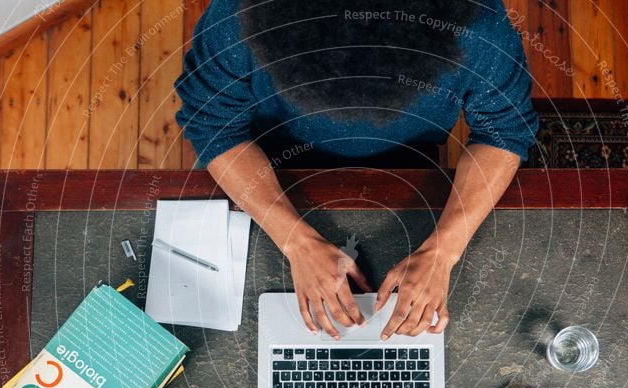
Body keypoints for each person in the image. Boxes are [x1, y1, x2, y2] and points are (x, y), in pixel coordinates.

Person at [175, 0, 538, 340]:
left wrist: (446, 250)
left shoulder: (477, 18)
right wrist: (295, 240)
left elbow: (503, 130)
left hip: (412, 164)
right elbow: (214, 125)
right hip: (267, 156)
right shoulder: (238, 13)